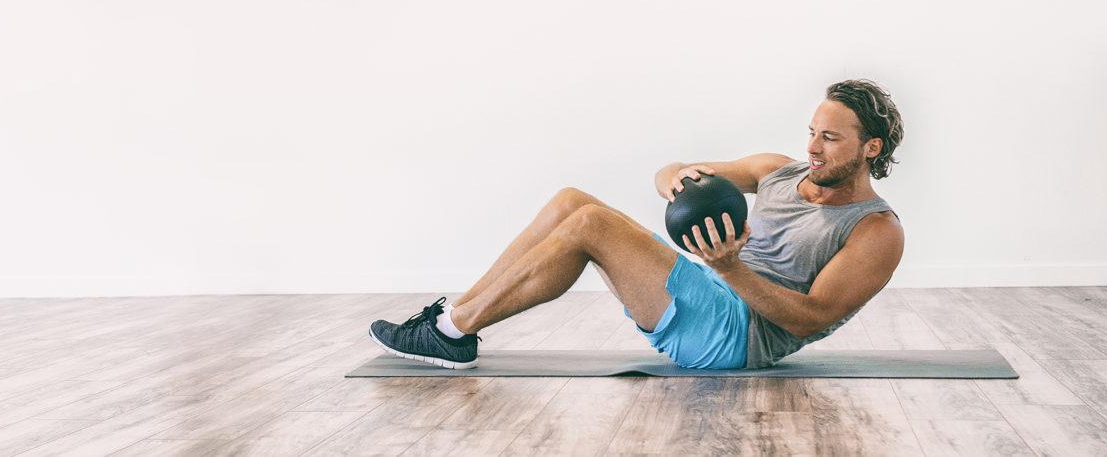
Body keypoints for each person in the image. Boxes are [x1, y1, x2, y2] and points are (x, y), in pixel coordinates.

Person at [368, 79, 907, 370]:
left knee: (592, 224)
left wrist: (732, 270)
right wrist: (674, 176)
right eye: (811, 132)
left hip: (737, 337)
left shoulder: (876, 230)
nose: (812, 147)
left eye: (830, 138)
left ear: (870, 147)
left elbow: (811, 319)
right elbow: (672, 172)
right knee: (571, 201)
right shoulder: (776, 171)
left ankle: (451, 333)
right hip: (712, 289)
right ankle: (452, 319)